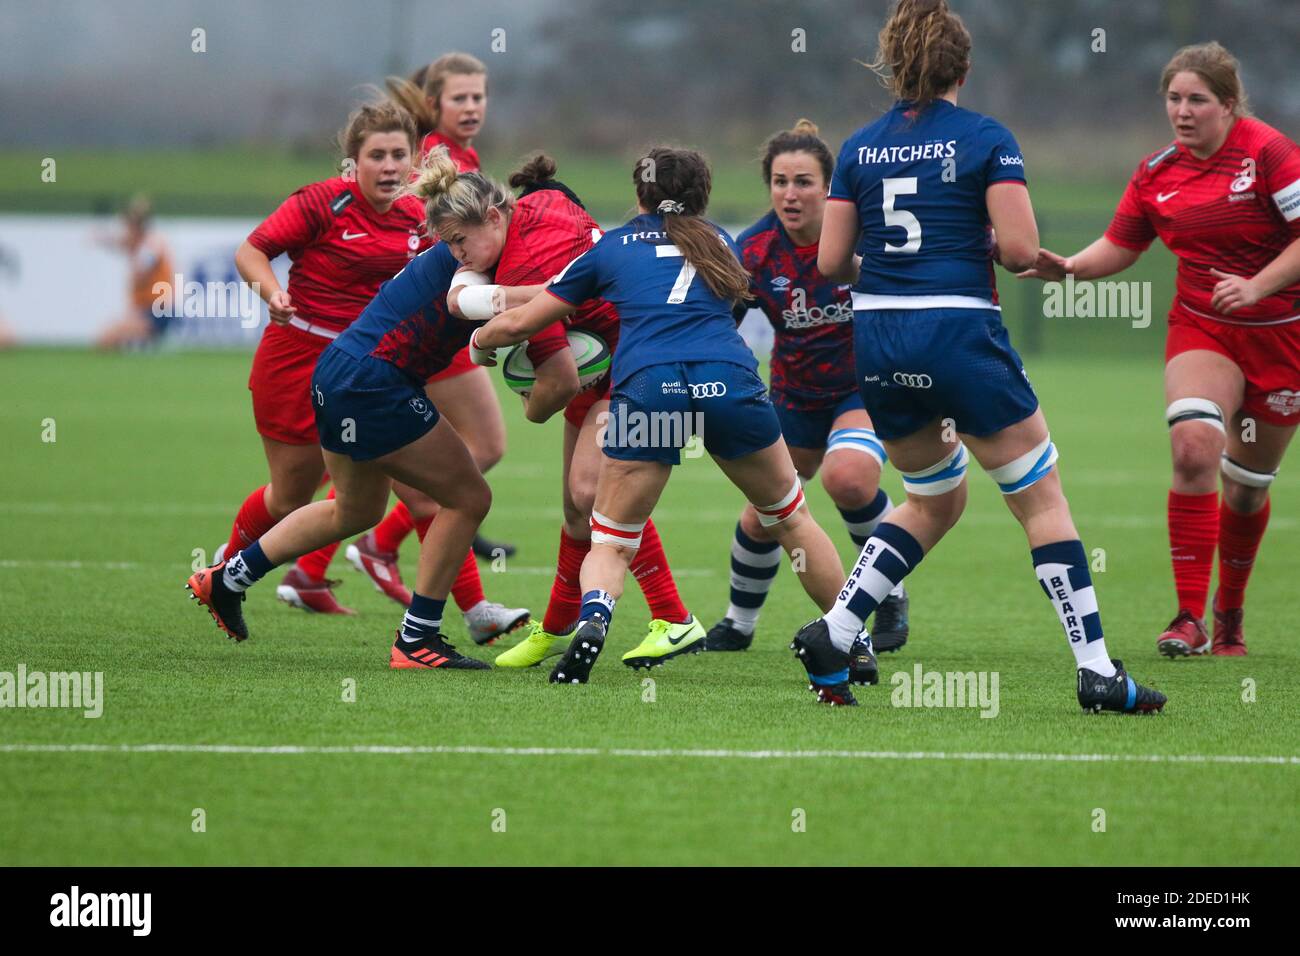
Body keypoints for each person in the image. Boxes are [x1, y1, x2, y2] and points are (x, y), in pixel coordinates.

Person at [792, 0, 1166, 711]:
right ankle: (1095, 670)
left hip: (879, 339)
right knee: (1040, 500)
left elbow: (833, 261)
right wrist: (996, 249)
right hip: (959, 331)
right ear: (964, 66)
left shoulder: (862, 147)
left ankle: (838, 628)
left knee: (932, 501)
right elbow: (1022, 250)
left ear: (895, 66)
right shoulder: (987, 137)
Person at [471, 147, 849, 685]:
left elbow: (521, 323)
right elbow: (737, 307)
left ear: (639, 196)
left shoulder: (613, 246)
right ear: (703, 195)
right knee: (790, 519)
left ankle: (596, 615)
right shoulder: (723, 241)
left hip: (651, 389)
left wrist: (479, 339)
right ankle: (849, 636)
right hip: (729, 383)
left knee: (609, 537)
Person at [1020, 42, 1300, 659]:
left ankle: (1230, 611)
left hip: (1283, 335)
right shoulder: (1156, 172)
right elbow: (1121, 244)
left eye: (1198, 99)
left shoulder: (1268, 153)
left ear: (1229, 104)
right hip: (1204, 328)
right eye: (1174, 98)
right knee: (1194, 445)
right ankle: (1188, 619)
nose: (1183, 110)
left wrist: (1257, 285)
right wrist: (1067, 268)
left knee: (1248, 487)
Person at [220, 101, 527, 640]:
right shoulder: (325, 203)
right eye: (376, 155)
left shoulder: (429, 218)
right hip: (314, 356)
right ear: (352, 163)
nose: (388, 166)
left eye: (398, 156)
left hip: (377, 363)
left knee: (383, 501)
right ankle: (239, 563)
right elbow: (253, 251)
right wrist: (272, 294)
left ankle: (468, 610)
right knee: (293, 495)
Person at [415, 149, 708, 670]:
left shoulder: (523, 263)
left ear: (493, 216)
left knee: (592, 493)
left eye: (459, 242)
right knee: (578, 513)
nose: (457, 255)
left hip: (631, 362)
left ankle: (675, 618)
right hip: (607, 355)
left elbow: (557, 384)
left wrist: (521, 394)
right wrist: (478, 298)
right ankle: (554, 629)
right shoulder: (543, 199)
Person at [188, 238, 496, 671]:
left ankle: (228, 577)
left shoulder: (461, 247)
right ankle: (417, 638)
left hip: (341, 371)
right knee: (468, 498)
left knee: (355, 510)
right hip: (373, 384)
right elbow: (487, 315)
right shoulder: (483, 253)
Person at [706, 119, 910, 655]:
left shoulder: (864, 234)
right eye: (779, 181)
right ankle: (738, 624)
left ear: (829, 186)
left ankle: (888, 594)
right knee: (764, 513)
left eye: (803, 182)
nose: (789, 194)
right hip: (793, 395)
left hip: (862, 387)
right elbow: (717, 324)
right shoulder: (752, 251)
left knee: (849, 480)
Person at [358, 52, 517, 570]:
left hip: (427, 324)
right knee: (481, 447)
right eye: (460, 98)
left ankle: (331, 563)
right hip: (434, 321)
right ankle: (380, 545)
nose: (472, 106)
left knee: (390, 453)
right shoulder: (439, 164)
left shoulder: (457, 159)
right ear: (434, 103)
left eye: (479, 96)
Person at [93, 196, 176, 350]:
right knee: (107, 340)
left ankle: (147, 345)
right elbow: (120, 242)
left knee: (106, 339)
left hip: (157, 312)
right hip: (145, 310)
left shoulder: (151, 244)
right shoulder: (141, 243)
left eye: (127, 226)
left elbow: (141, 271)